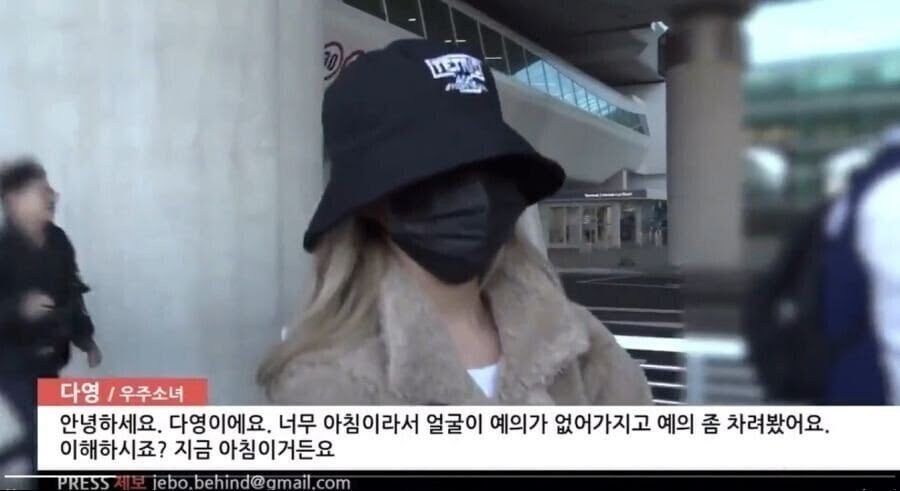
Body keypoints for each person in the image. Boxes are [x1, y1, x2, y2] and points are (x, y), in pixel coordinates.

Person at [258, 39, 651, 405]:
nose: (475, 192)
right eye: (440, 170)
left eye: (489, 166)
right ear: (370, 202)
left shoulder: (583, 348)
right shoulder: (325, 386)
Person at [0, 158, 103, 471]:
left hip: (49, 358)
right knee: (42, 435)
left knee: (47, 438)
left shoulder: (58, 241)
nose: (52, 195)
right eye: (41, 190)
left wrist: (85, 338)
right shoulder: (3, 249)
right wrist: (19, 308)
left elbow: (71, 291)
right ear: (14, 200)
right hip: (10, 361)